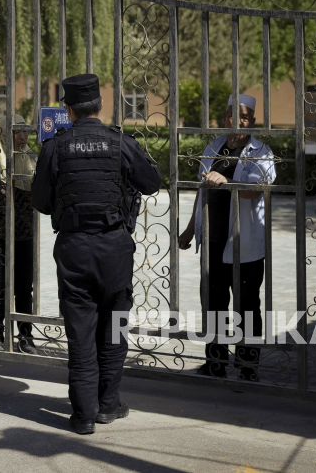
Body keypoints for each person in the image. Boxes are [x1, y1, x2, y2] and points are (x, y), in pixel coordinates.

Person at [32, 74, 162, 435]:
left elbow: (41, 202)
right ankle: (108, 405)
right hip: (114, 246)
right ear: (100, 105)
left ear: (68, 109)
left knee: (80, 330)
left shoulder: (55, 146)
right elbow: (152, 182)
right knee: (114, 327)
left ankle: (84, 414)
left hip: (74, 246)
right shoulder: (120, 141)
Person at [177, 94, 276, 381]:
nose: (239, 121)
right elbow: (201, 189)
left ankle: (248, 365)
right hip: (212, 239)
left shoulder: (261, 152)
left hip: (245, 243)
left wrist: (228, 182)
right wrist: (189, 228)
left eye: (245, 117)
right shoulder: (214, 146)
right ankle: (215, 362)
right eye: (234, 115)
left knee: (246, 304)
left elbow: (257, 191)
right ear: (225, 117)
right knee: (213, 302)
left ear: (253, 121)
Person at [0, 114, 38, 354]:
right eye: (16, 131)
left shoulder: (31, 159)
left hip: (25, 233)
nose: (22, 136)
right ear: (5, 133)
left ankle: (26, 337)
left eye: (25, 131)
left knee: (24, 288)